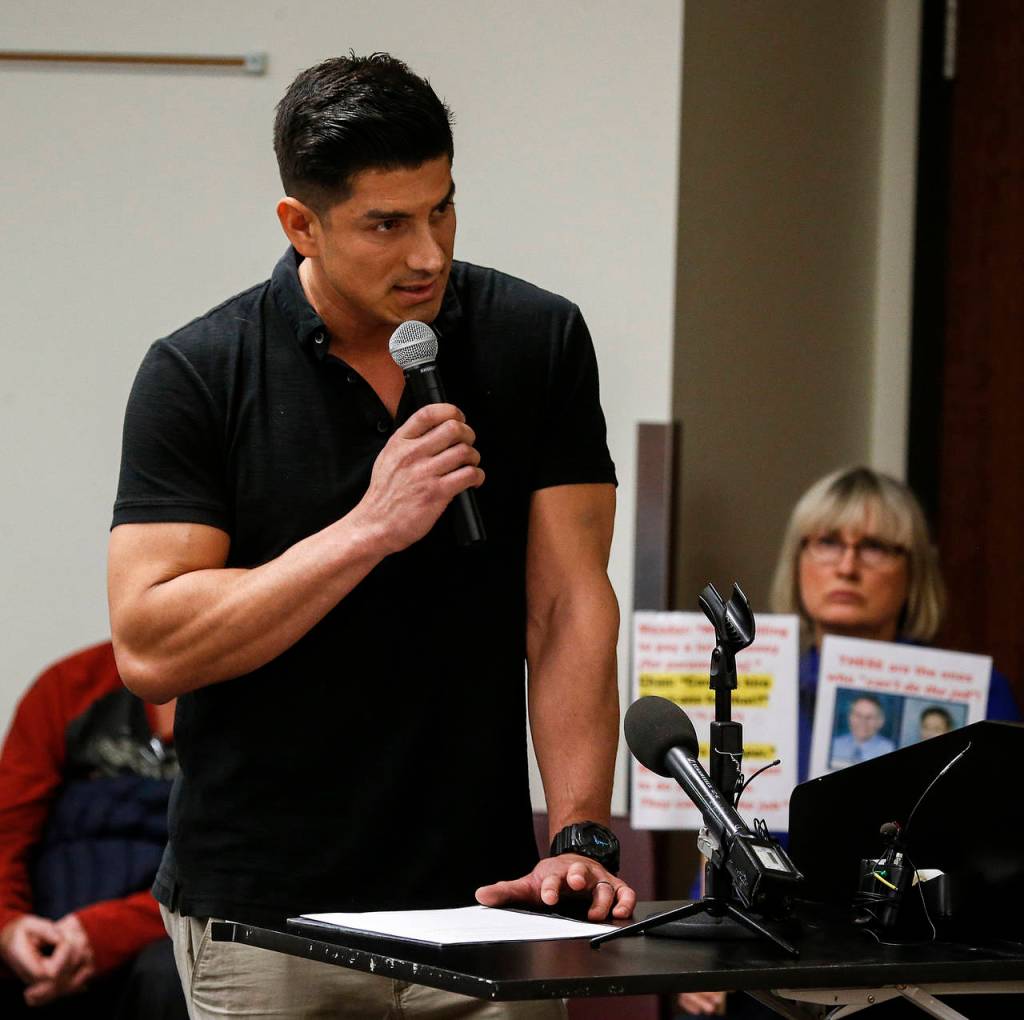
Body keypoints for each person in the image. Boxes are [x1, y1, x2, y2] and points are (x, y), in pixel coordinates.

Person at [107, 53, 634, 1019]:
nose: (427, 253)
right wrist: (368, 530)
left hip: (482, 902)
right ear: (300, 224)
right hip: (265, 912)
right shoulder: (198, 371)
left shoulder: (537, 340)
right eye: (387, 225)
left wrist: (578, 833)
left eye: (442, 209)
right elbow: (150, 644)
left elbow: (566, 605)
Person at [769, 465, 1020, 784]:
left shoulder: (982, 693)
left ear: (913, 572)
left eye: (874, 547)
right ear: (797, 562)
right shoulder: (756, 687)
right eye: (829, 542)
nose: (847, 567)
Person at [0, 641, 186, 1019]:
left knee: (170, 976)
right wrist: (9, 925)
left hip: (165, 933)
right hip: (46, 927)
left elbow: (249, 864)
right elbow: (8, 832)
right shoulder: (69, 685)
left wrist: (105, 934)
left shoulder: (256, 705)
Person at [829, 693, 894, 765]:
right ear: (849, 718)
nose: (863, 722)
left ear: (880, 722)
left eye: (870, 717)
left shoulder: (889, 749)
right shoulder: (834, 745)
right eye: (858, 715)